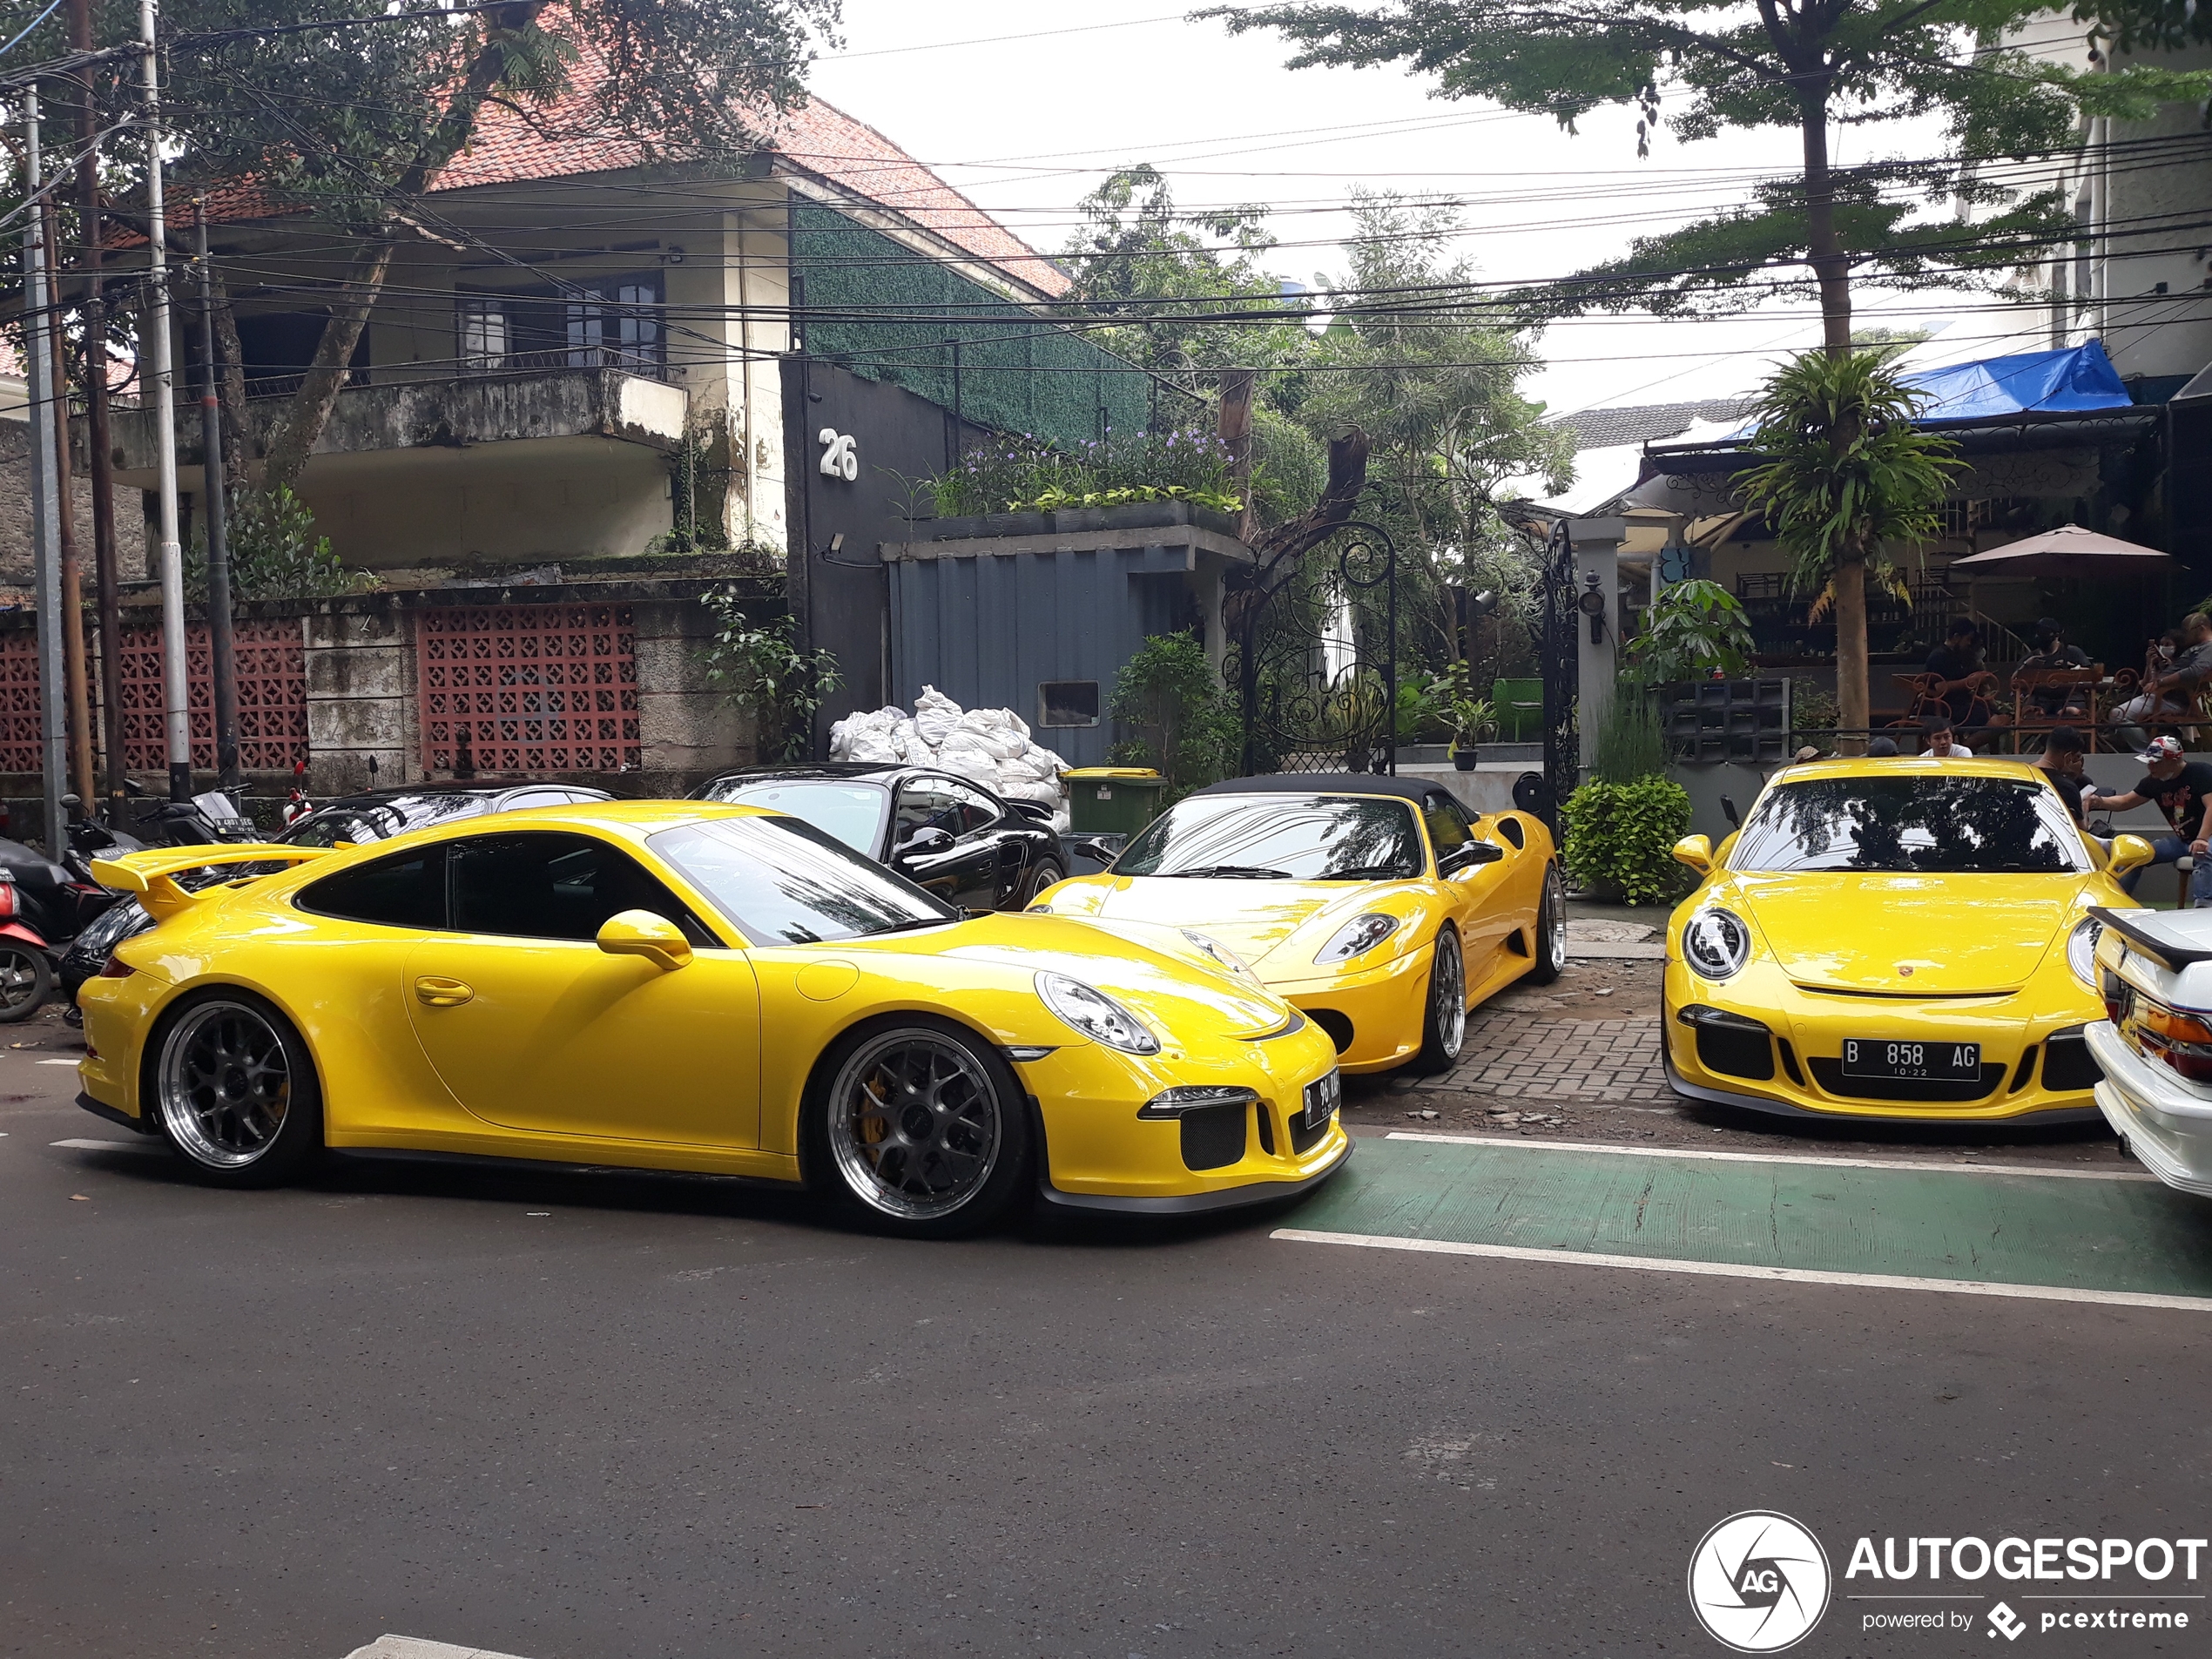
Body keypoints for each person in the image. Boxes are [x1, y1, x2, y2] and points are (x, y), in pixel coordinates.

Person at [2082, 734, 2212, 905]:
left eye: (2156, 762)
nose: (2151, 767)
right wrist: (2098, 801)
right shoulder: (2153, 782)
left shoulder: (2200, 772)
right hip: (2183, 840)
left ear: (2174, 760)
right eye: (2149, 762)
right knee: (2136, 855)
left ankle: (2204, 906)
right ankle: (2116, 900)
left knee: (2205, 852)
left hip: (2207, 837)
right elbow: (2125, 801)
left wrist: (2202, 838)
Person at [2113, 613, 2212, 750]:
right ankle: (2153, 749)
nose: (2185, 635)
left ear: (2201, 628)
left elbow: (2196, 671)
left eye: (2187, 631)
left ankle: (2152, 750)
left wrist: (2160, 683)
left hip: (2171, 698)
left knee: (2117, 714)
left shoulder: (2209, 647)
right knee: (2119, 713)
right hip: (2162, 695)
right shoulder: (2196, 648)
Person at [2013, 617, 2092, 718]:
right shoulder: (2030, 658)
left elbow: (2090, 673)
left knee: (2076, 701)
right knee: (2031, 705)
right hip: (2040, 697)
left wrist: (2072, 670)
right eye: (2038, 632)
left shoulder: (2071, 652)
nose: (2040, 636)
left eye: (2045, 632)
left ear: (2057, 635)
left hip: (2069, 695)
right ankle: (2042, 711)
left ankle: (2067, 710)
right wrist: (2026, 664)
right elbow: (2014, 681)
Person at [1923, 618, 1990, 730]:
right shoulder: (1939, 656)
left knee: (1992, 712)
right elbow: (1939, 688)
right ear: (1956, 637)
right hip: (1945, 706)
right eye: (1968, 639)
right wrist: (1969, 682)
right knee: (1985, 716)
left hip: (1960, 703)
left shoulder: (1957, 655)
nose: (1969, 643)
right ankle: (1966, 746)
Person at [2035, 725, 2090, 826]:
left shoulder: (2021, 774)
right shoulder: (2066, 787)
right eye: (2075, 758)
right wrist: (2085, 806)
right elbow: (2080, 832)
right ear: (2068, 757)